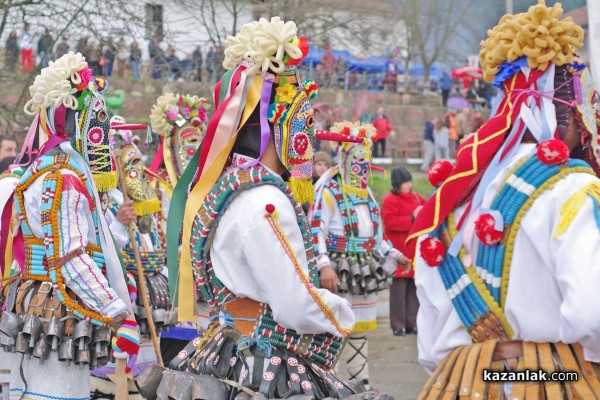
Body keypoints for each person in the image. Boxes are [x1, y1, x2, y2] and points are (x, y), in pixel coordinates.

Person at [136, 18, 377, 399]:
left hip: (226, 349)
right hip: (262, 361)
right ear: (285, 126)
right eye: (306, 123)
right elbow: (296, 305)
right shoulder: (266, 202)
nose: (311, 139)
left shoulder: (225, 191)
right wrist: (341, 313)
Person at [407, 2, 600, 397]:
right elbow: (591, 314)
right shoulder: (573, 190)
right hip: (552, 381)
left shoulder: (452, 199)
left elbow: (428, 342)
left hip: (462, 382)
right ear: (569, 111)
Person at [0, 52, 138, 400]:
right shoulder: (64, 178)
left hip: (37, 301)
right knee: (55, 392)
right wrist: (119, 313)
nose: (100, 136)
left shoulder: (41, 170)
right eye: (95, 125)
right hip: (56, 307)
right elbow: (70, 258)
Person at [311, 121, 404, 389]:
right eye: (356, 160)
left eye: (365, 161)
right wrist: (324, 266)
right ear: (343, 157)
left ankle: (359, 383)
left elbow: (376, 236)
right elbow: (316, 230)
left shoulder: (368, 195)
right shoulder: (328, 191)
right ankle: (330, 384)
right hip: (339, 270)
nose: (361, 167)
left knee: (360, 331)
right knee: (335, 329)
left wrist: (395, 254)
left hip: (364, 270)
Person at [89, 117, 173, 397]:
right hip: (114, 282)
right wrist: (121, 225)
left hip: (144, 282)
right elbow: (102, 246)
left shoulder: (130, 197)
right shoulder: (102, 196)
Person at [381, 167, 425, 336]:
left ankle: (412, 323)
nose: (408, 185)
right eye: (404, 183)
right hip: (399, 250)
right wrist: (412, 218)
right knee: (398, 291)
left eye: (409, 182)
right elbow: (390, 222)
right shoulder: (390, 200)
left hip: (414, 251)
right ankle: (398, 324)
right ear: (396, 185)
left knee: (414, 290)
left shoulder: (416, 198)